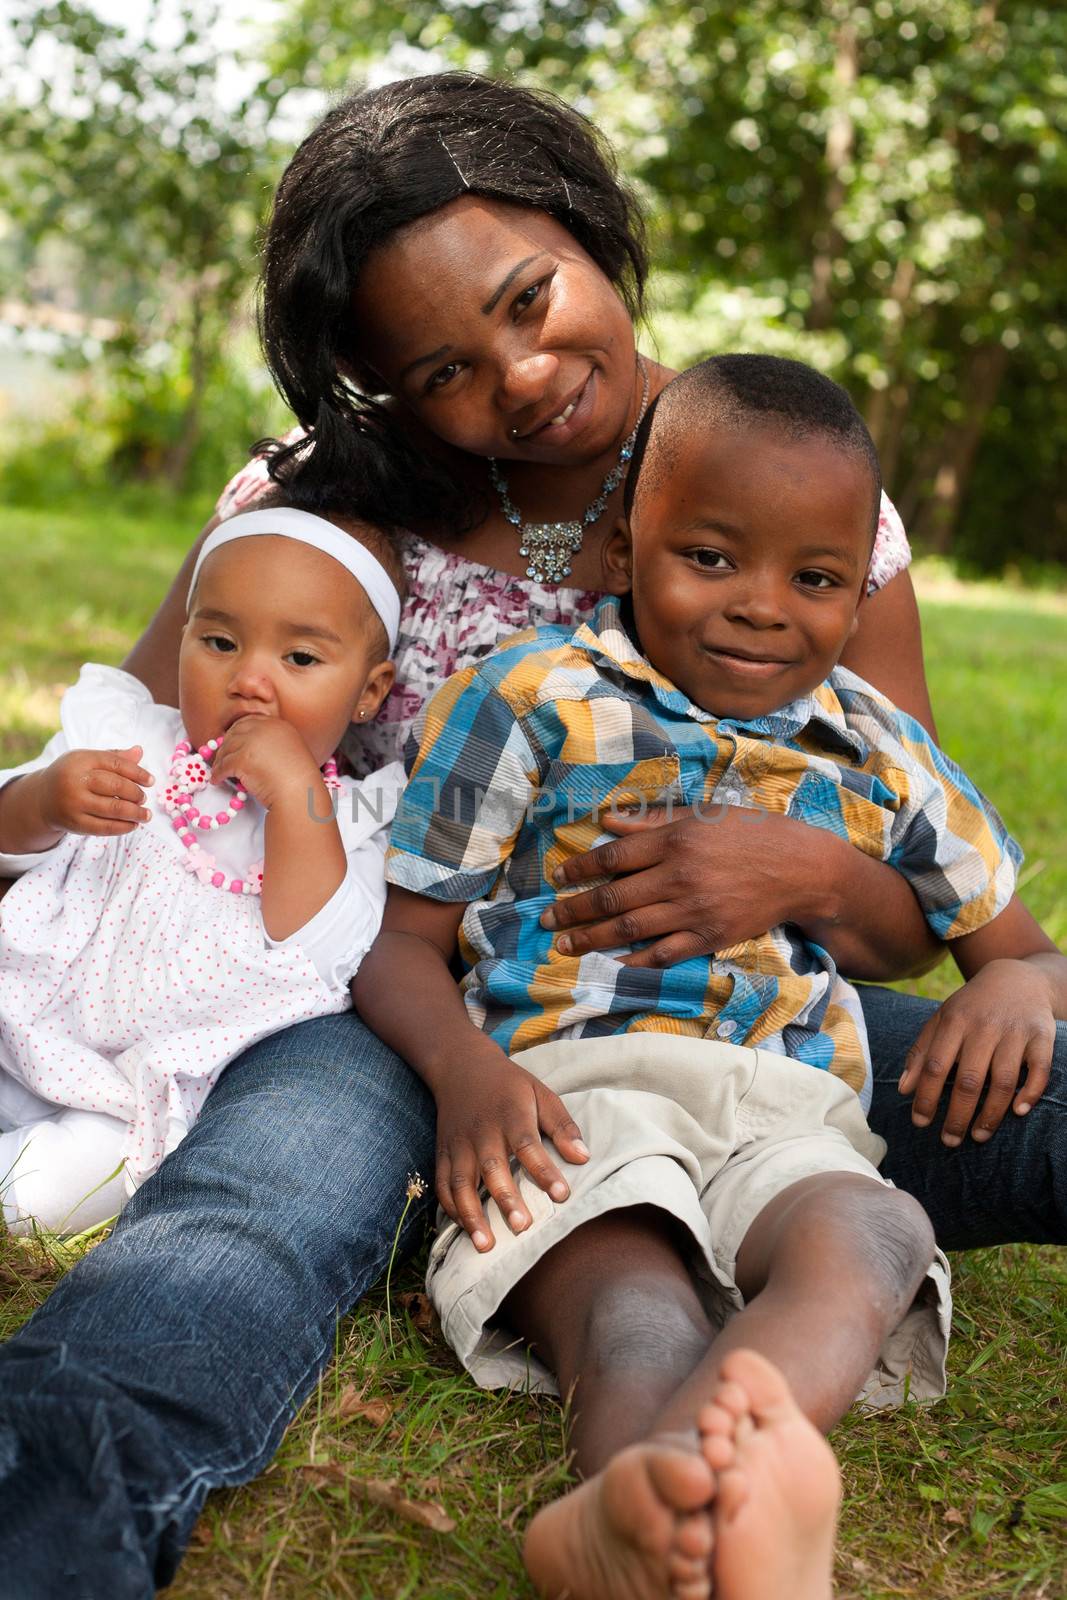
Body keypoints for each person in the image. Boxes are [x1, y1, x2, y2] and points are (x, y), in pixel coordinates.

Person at [0, 73, 1062, 1597]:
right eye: (441, 366)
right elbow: (151, 755)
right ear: (379, 390)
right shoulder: (328, 506)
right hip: (395, 1014)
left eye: (529, 296)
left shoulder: (788, 475)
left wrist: (811, 873)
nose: (520, 373)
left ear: (588, 226)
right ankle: (45, 1525)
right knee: (234, 1230)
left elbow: (912, 894)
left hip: (770, 1022)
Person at [354, 354, 1059, 1599]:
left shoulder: (878, 749)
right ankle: (632, 1509)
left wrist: (1011, 984)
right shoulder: (526, 697)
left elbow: (1020, 951)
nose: (761, 608)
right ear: (627, 543)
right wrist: (463, 1074)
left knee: (876, 1226)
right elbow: (401, 939)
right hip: (569, 1095)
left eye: (816, 578)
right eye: (712, 557)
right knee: (636, 1308)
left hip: (781, 1101)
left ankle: (722, 1471)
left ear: (861, 588)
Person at [0, 503, 404, 1234]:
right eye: (218, 641)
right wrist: (45, 799)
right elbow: (6, 835)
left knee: (67, 1187)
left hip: (137, 1095)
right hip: (20, 1011)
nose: (249, 679)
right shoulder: (126, 739)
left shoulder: (349, 820)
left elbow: (325, 950)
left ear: (370, 690)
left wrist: (294, 793)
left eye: (300, 659)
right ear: (181, 639)